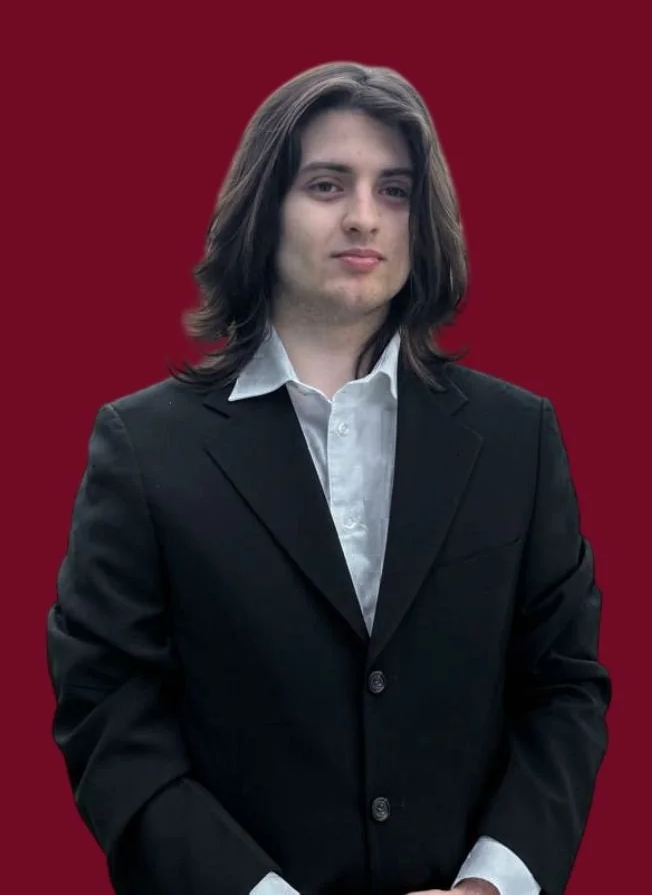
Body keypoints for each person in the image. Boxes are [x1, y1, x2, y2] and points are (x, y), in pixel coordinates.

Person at [46, 61, 611, 895]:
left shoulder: (516, 436)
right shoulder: (144, 447)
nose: (362, 218)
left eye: (394, 191)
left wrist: (496, 882)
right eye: (325, 184)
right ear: (263, 210)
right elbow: (108, 716)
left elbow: (564, 686)